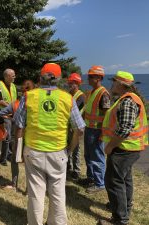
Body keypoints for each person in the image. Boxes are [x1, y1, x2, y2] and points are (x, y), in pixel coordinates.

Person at [14, 63, 85, 225]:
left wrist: (18, 153)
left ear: (40, 77)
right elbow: (79, 129)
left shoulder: (29, 96)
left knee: (36, 193)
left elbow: (19, 125)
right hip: (58, 152)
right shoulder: (67, 98)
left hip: (33, 151)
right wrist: (70, 149)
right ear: (59, 79)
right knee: (58, 193)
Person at [99, 71, 148, 225]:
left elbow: (125, 129)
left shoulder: (127, 101)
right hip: (129, 148)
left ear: (121, 84)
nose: (112, 84)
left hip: (124, 148)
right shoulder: (128, 99)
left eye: (114, 81)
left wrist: (110, 146)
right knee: (124, 179)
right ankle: (124, 209)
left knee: (113, 181)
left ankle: (120, 219)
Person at [0, 79, 35, 191]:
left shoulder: (15, 103)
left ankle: (14, 184)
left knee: (15, 160)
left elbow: (1, 113)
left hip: (18, 136)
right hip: (31, 137)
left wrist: (11, 118)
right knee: (30, 163)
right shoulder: (36, 102)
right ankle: (29, 188)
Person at [82, 65, 110, 193]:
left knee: (97, 156)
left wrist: (103, 133)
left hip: (97, 130)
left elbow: (106, 115)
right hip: (90, 128)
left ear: (98, 78)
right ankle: (91, 178)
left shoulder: (103, 94)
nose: (88, 79)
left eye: (90, 77)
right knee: (88, 155)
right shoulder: (93, 92)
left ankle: (99, 183)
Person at [67, 73, 86, 180]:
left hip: (77, 127)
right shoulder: (69, 94)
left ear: (77, 84)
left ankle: (77, 170)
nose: (70, 84)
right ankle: (69, 166)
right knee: (68, 146)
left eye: (72, 83)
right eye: (69, 82)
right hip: (69, 125)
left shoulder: (81, 96)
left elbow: (72, 108)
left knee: (76, 148)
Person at [0, 68, 17, 166]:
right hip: (4, 115)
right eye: (12, 75)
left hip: (13, 114)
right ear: (6, 76)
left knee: (12, 137)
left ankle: (9, 155)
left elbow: (15, 99)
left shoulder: (13, 86)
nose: (14, 77)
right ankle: (2, 159)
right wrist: (10, 107)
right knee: (7, 137)